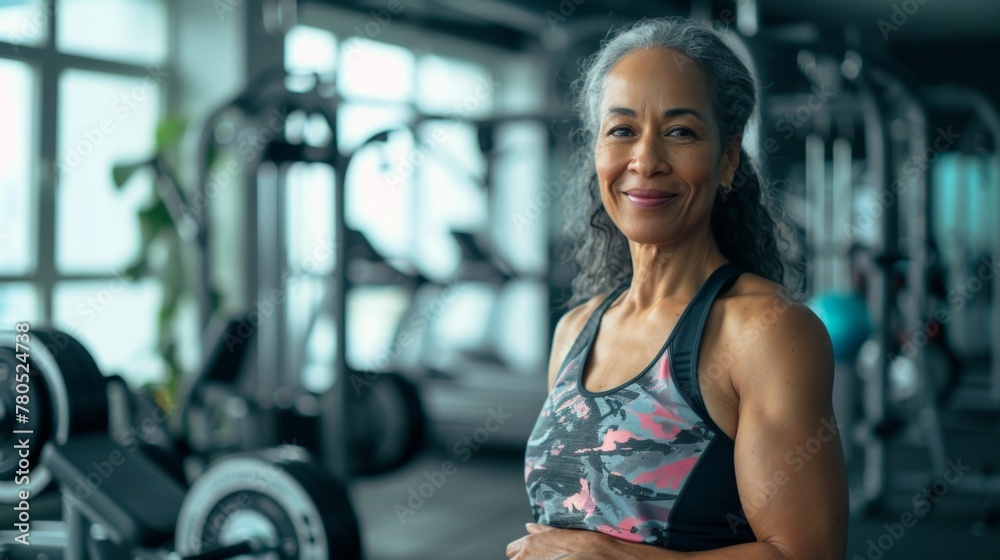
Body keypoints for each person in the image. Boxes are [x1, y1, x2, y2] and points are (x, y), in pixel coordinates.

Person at [508, 17, 848, 560]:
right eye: (622, 130)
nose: (645, 161)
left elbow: (805, 554)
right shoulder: (575, 329)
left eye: (680, 132)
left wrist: (612, 558)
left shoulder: (767, 332)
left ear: (728, 159)